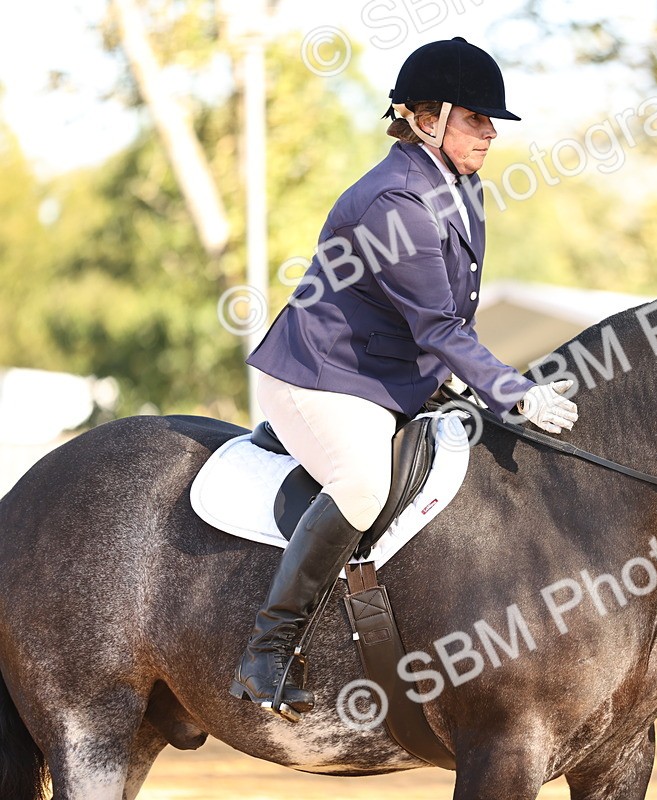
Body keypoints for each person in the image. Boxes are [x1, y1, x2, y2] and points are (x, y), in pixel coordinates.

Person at [229, 37, 579, 721]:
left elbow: (442, 321)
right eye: (476, 119)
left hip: (386, 374)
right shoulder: (396, 200)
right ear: (426, 118)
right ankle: (267, 653)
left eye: (490, 122)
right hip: (323, 375)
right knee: (362, 486)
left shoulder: (456, 183)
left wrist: (487, 391)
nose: (489, 134)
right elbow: (441, 328)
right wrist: (514, 390)